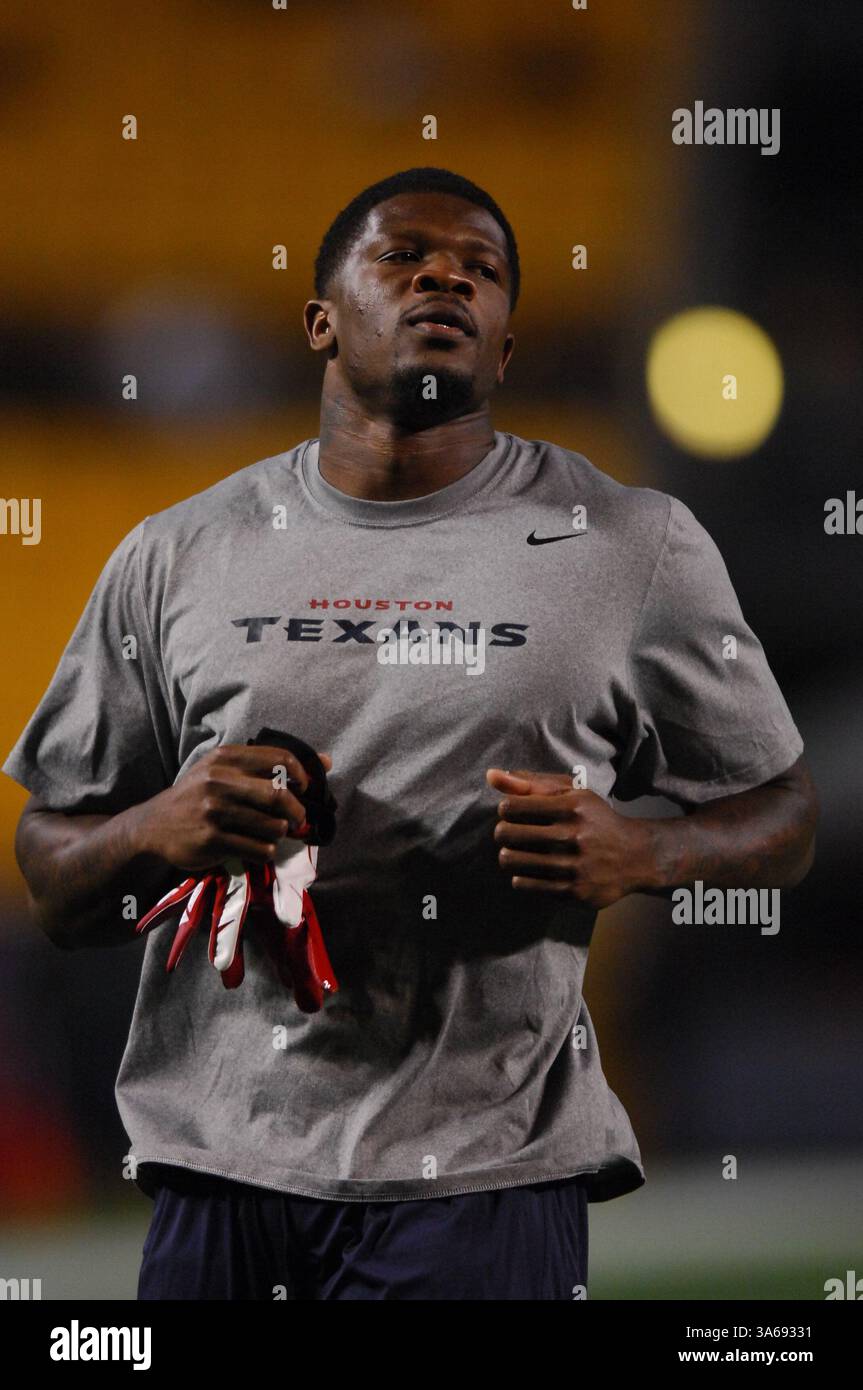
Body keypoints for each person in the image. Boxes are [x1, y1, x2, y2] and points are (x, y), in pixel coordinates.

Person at [4, 166, 818, 1301]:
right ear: (321, 321)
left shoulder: (631, 544)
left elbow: (782, 815)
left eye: (481, 271)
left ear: (502, 350)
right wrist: (161, 824)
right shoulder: (175, 552)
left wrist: (648, 850)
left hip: (483, 1181)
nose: (446, 275)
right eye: (403, 256)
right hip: (217, 1176)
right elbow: (54, 875)